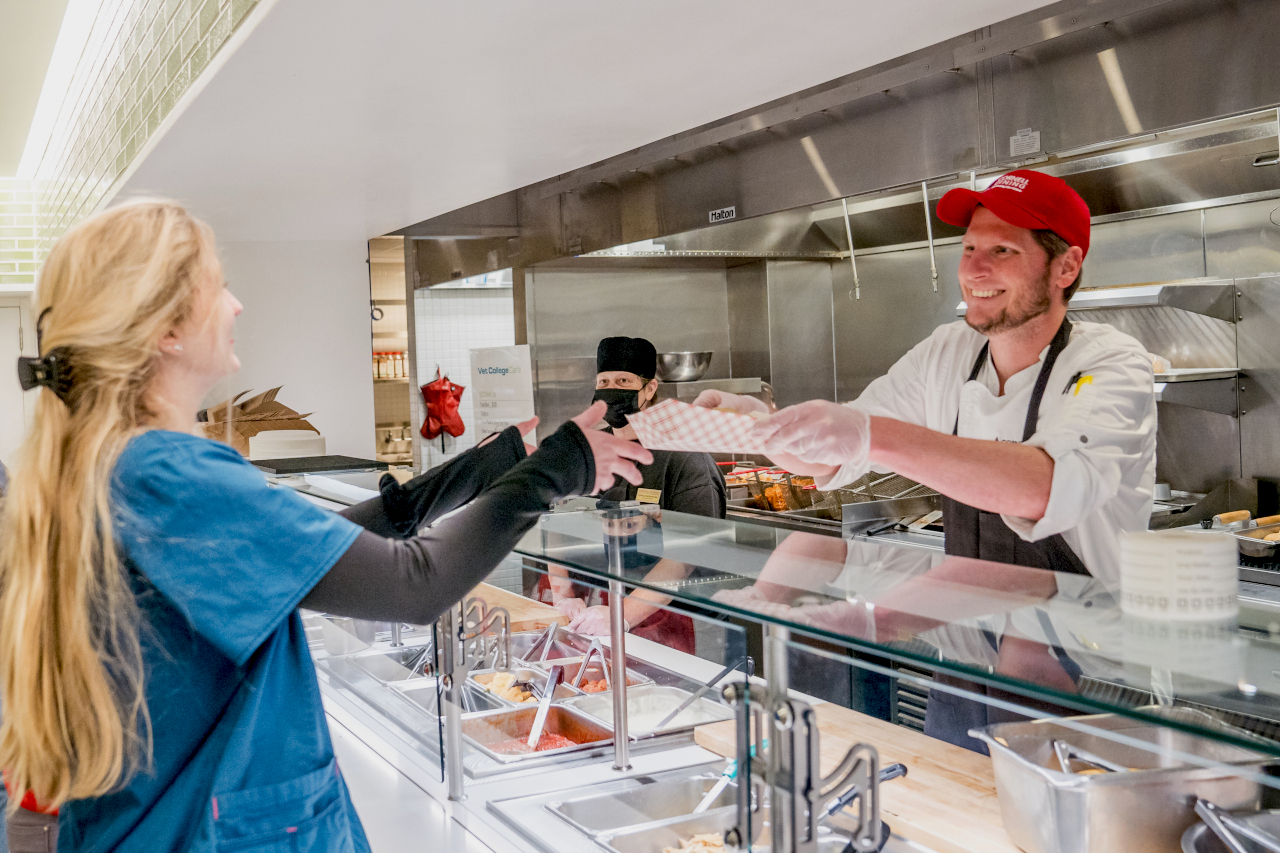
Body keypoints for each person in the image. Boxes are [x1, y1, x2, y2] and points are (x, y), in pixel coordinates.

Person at [0, 200, 651, 853]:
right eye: (218, 286)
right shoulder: (170, 472)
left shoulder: (116, 464)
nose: (235, 306)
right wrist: (556, 470)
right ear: (167, 328)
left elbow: (312, 548)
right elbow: (414, 585)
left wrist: (488, 465)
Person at [699, 171, 1156, 748]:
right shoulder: (949, 351)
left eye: (1002, 251)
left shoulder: (1111, 362)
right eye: (968, 249)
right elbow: (834, 455)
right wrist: (762, 425)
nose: (974, 270)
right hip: (964, 657)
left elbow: (1043, 488)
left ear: (1065, 267)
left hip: (1080, 682)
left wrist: (870, 434)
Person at [541, 336, 727, 655]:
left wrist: (623, 615)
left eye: (624, 381)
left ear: (649, 389)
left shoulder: (685, 458)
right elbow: (557, 523)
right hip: (598, 617)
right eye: (604, 382)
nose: (612, 389)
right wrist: (562, 594)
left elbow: (684, 559)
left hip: (676, 624)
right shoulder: (586, 451)